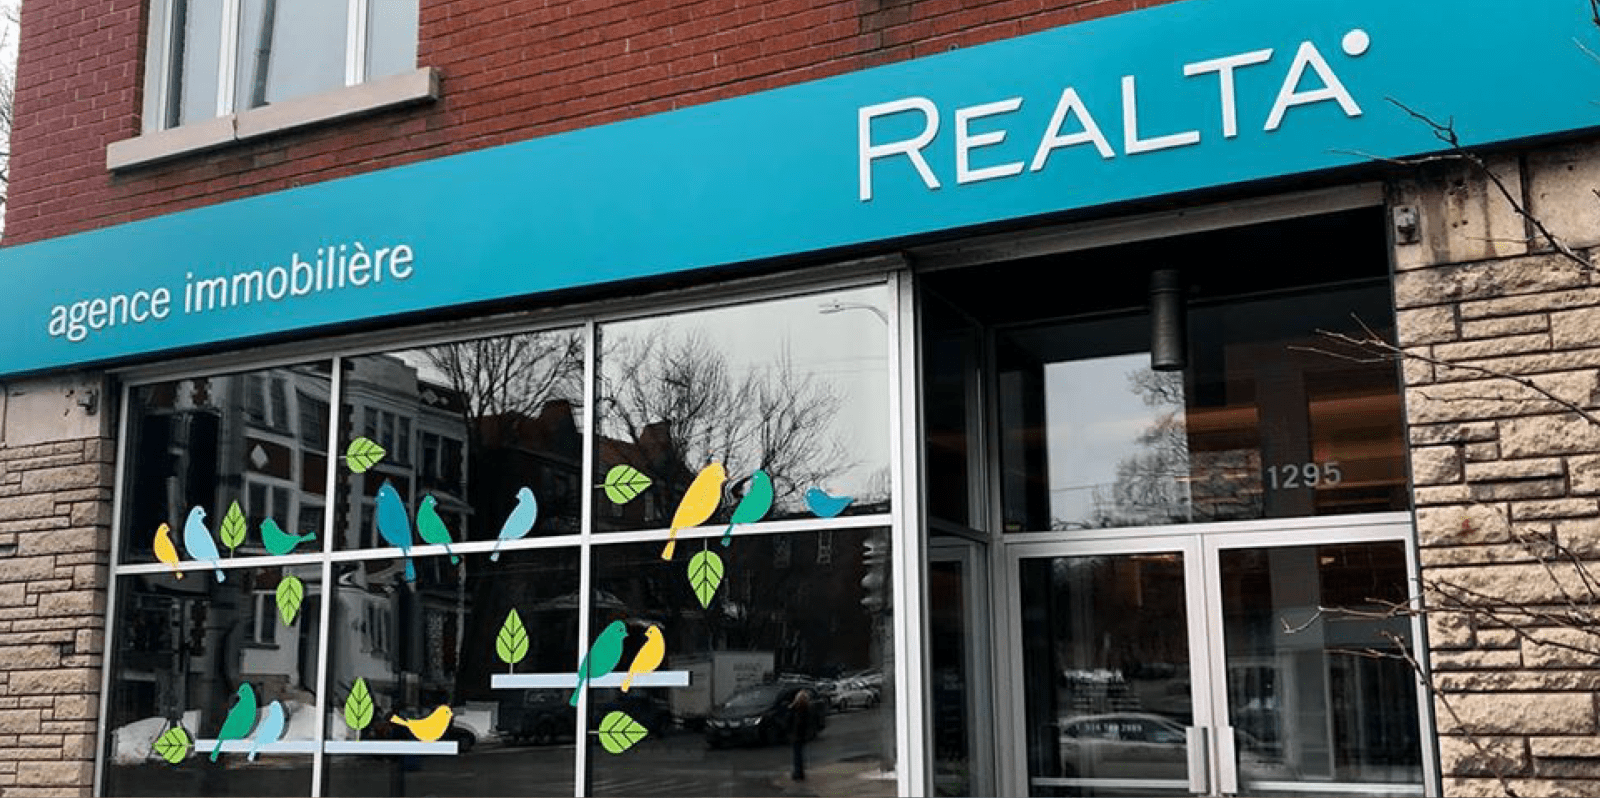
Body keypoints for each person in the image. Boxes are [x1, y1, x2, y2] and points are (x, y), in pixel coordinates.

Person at [789, 688, 812, 781]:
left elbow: (794, 723)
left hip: (797, 735)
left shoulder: (797, 709)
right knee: (800, 755)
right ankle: (800, 773)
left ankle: (798, 773)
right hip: (802, 735)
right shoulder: (806, 709)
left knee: (797, 755)